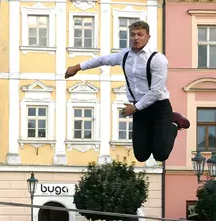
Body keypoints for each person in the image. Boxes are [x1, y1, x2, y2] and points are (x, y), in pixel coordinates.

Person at [65, 21, 189, 163]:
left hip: (159, 107)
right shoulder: (124, 55)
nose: (136, 38)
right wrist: (77, 67)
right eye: (133, 34)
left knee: (160, 155)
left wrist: (134, 108)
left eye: (140, 35)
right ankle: (158, 132)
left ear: (148, 37)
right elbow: (102, 60)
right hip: (139, 110)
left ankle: (173, 123)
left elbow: (156, 91)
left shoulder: (157, 59)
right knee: (141, 156)